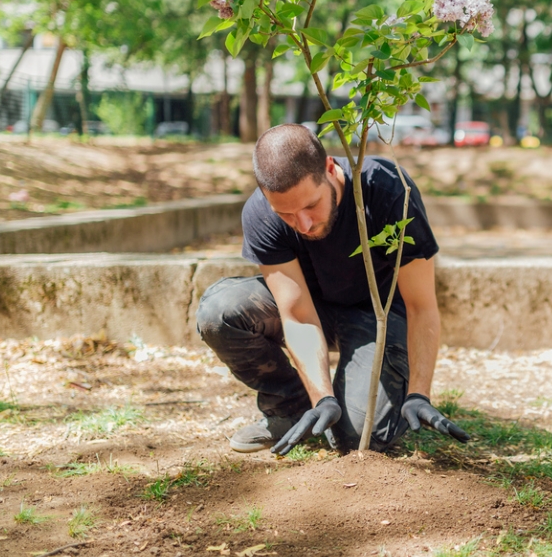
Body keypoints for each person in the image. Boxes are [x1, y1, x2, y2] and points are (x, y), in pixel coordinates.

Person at [196, 123, 469, 455]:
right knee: (219, 312)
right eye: (286, 213)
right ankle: (291, 410)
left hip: (380, 319)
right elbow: (296, 315)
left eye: (311, 205)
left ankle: (373, 399)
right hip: (316, 309)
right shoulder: (261, 214)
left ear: (330, 168)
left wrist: (418, 393)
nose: (303, 224)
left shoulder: (389, 192)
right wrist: (322, 397)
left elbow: (421, 306)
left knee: (354, 440)